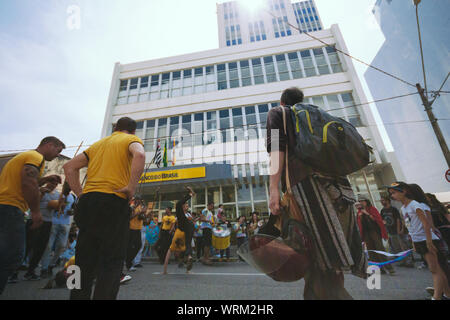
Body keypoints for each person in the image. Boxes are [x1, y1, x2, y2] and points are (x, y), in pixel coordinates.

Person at [267, 87, 367, 300]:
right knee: (331, 263)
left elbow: (277, 150)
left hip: (307, 190)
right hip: (339, 191)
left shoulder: (279, 113)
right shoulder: (320, 115)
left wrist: (273, 189)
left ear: (283, 102)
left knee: (316, 261)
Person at [63, 117, 145, 300]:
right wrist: (131, 187)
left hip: (88, 201)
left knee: (82, 259)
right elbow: (139, 155)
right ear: (132, 131)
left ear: (115, 128)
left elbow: (68, 167)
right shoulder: (130, 140)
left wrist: (81, 194)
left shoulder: (97, 145)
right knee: (112, 260)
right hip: (113, 200)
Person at [0, 136, 65, 294]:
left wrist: (44, 180)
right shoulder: (36, 157)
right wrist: (35, 211)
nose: (58, 155)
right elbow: (28, 181)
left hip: (5, 206)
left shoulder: (26, 157)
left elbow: (29, 180)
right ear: (49, 145)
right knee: (12, 256)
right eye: (58, 150)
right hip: (10, 208)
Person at [388, 182, 450, 300]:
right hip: (418, 241)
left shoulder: (415, 205)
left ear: (404, 191)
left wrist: (429, 241)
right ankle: (446, 293)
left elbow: (426, 223)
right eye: (391, 193)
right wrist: (413, 243)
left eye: (394, 192)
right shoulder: (403, 208)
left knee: (435, 269)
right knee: (437, 269)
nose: (392, 196)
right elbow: (410, 227)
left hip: (426, 239)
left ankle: (437, 297)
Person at [40, 182, 76, 278]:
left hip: (65, 223)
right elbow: (50, 206)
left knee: (61, 246)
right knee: (49, 245)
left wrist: (71, 212)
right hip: (54, 222)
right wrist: (58, 206)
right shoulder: (57, 195)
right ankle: (44, 267)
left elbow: (72, 209)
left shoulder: (72, 197)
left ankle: (52, 264)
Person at [356, 199, 395, 275]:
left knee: (380, 249)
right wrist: (360, 217)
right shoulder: (359, 212)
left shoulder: (372, 209)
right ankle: (379, 269)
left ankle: (390, 269)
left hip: (374, 232)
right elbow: (359, 224)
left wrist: (367, 214)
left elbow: (377, 219)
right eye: (360, 202)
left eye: (362, 201)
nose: (361, 203)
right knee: (371, 252)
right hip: (366, 233)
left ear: (366, 201)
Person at [163, 187, 196, 274]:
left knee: (178, 205)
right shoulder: (181, 247)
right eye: (186, 206)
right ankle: (188, 260)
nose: (187, 207)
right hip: (188, 228)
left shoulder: (175, 245)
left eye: (187, 206)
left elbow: (169, 253)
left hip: (183, 228)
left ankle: (190, 194)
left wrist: (164, 271)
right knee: (188, 245)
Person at [380, 196, 414, 267]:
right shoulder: (382, 210)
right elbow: (382, 220)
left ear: (387, 200)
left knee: (403, 246)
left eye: (383, 200)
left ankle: (409, 261)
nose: (382, 202)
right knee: (396, 247)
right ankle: (402, 261)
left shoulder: (393, 209)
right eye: (381, 201)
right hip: (390, 231)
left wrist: (399, 229)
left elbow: (398, 219)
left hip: (396, 230)